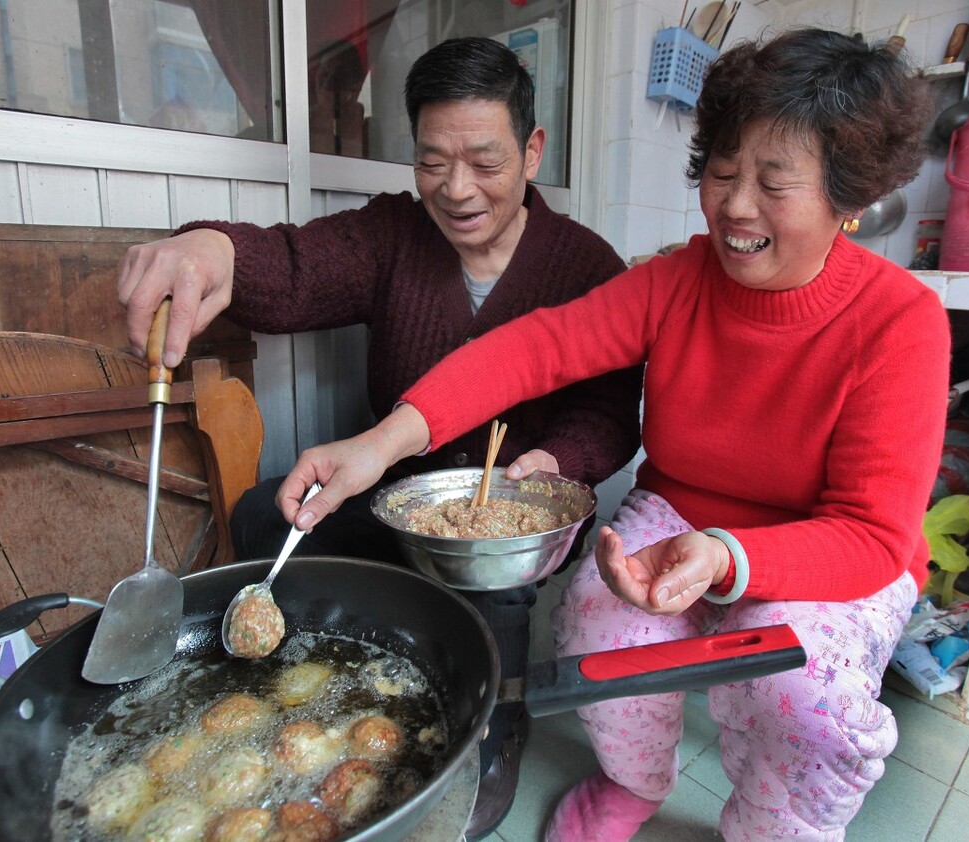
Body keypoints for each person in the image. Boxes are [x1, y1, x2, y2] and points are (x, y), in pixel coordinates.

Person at [270, 28, 949, 841]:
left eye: (774, 184)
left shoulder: (901, 321)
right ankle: (633, 783)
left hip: (827, 548)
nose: (735, 206)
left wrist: (731, 558)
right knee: (601, 625)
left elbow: (875, 533)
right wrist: (380, 446)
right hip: (682, 516)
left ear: (850, 198)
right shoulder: (675, 279)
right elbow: (536, 348)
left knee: (795, 692)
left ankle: (775, 827)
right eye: (724, 172)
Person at [116, 36, 643, 838]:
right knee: (267, 517)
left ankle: (492, 738)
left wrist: (549, 469)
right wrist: (212, 247)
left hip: (506, 524)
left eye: (484, 161)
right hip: (397, 492)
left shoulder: (589, 268)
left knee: (490, 599)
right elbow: (292, 266)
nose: (456, 189)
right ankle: (321, 699)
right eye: (433, 161)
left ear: (533, 151)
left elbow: (609, 415)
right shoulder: (393, 234)